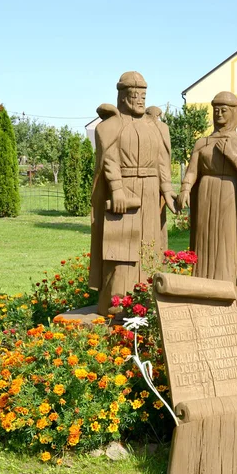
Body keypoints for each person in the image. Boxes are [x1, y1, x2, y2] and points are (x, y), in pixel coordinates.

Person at [89, 71, 176, 315]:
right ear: (123, 97)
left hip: (150, 191)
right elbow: (109, 158)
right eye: (134, 95)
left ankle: (149, 297)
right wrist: (116, 188)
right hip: (125, 190)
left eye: (143, 95)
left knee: (150, 244)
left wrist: (167, 190)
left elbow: (162, 161)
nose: (140, 100)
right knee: (122, 248)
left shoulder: (154, 127)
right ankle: (118, 300)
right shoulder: (111, 126)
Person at [177, 91, 237, 294]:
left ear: (234, 113)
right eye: (216, 110)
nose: (219, 114)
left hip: (229, 196)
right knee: (204, 240)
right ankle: (202, 287)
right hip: (205, 194)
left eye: (224, 110)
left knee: (226, 241)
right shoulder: (202, 143)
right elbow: (193, 170)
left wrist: (231, 154)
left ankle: (228, 288)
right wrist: (186, 188)